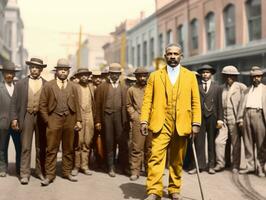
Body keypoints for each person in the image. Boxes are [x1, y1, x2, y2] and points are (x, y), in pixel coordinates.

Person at [140, 43, 201, 200]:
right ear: (165, 56)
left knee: (177, 159)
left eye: (176, 54)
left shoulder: (190, 76)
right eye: (170, 54)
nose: (173, 56)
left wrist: (196, 123)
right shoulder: (154, 76)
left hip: (182, 123)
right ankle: (154, 191)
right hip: (161, 122)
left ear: (181, 56)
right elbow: (147, 101)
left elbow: (195, 101)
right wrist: (144, 121)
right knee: (155, 157)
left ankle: (174, 189)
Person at [39, 58, 82, 186]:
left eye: (65, 70)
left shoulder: (73, 86)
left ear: (68, 72)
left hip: (70, 119)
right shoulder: (48, 85)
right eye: (61, 70)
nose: (63, 72)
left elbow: (77, 105)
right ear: (56, 71)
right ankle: (49, 175)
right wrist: (48, 121)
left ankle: (66, 172)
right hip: (54, 119)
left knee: (68, 148)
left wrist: (78, 120)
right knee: (51, 149)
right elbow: (42, 105)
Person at [10, 57, 47, 184]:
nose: (34, 70)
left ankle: (40, 171)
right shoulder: (20, 84)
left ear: (41, 70)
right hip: (26, 116)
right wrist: (14, 118)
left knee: (41, 147)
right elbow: (14, 102)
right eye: (32, 67)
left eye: (37, 68)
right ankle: (24, 173)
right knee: (25, 146)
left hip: (41, 118)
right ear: (29, 68)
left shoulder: (46, 84)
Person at [95, 63, 128, 177]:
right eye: (112, 74)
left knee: (122, 142)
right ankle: (111, 166)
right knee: (109, 142)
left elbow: (126, 106)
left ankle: (124, 167)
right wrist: (98, 121)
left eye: (117, 74)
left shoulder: (124, 88)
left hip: (120, 118)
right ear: (109, 74)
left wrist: (126, 121)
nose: (114, 76)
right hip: (107, 117)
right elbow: (97, 106)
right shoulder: (102, 87)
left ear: (120, 74)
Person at [188, 65, 223, 174]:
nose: (205, 74)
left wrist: (220, 119)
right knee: (198, 142)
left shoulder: (217, 87)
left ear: (211, 74)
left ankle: (211, 165)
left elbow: (219, 104)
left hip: (213, 117)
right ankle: (198, 166)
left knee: (212, 142)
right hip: (199, 117)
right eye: (203, 73)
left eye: (207, 72)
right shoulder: (196, 86)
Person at [215, 65, 246, 174]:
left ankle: (236, 165)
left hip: (235, 117)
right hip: (224, 118)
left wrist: (241, 118)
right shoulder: (221, 88)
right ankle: (220, 163)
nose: (229, 78)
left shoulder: (241, 87)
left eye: (232, 76)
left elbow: (244, 104)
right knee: (219, 141)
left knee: (235, 142)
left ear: (235, 76)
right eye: (227, 76)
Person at [237, 66, 266, 177]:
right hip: (247, 116)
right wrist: (240, 119)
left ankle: (260, 167)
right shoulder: (246, 90)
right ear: (251, 78)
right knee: (248, 143)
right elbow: (241, 106)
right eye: (254, 77)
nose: (256, 79)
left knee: (261, 143)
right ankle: (250, 166)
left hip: (260, 116)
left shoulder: (265, 89)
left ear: (261, 77)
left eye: (258, 76)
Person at [127, 67, 152, 181]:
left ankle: (149, 170)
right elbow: (128, 105)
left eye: (144, 76)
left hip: (152, 120)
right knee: (137, 147)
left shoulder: (152, 88)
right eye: (140, 76)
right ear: (136, 77)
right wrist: (134, 115)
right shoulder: (131, 90)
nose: (142, 78)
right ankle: (135, 171)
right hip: (138, 119)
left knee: (150, 147)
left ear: (147, 76)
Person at [71, 68, 95, 176]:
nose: (84, 77)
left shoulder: (91, 87)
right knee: (78, 142)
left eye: (86, 75)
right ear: (78, 77)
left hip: (89, 116)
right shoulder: (75, 87)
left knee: (87, 141)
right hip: (79, 116)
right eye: (82, 75)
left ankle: (84, 166)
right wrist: (76, 120)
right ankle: (76, 166)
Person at [0, 62, 21, 177]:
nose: (9, 75)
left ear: (14, 75)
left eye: (11, 73)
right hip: (2, 123)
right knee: (2, 147)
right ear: (3, 74)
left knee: (19, 146)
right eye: (7, 73)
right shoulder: (0, 87)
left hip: (16, 123)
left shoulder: (18, 87)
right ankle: (3, 168)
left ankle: (19, 168)